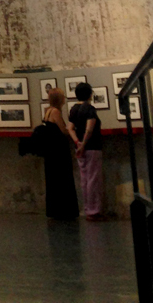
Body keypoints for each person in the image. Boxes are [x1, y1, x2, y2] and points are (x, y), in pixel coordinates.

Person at [70, 81, 106, 219]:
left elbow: (70, 128)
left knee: (84, 179)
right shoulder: (90, 109)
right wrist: (83, 144)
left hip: (79, 148)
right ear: (90, 94)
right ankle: (93, 211)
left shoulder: (74, 109)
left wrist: (77, 143)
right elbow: (89, 128)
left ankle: (87, 209)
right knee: (93, 179)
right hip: (92, 147)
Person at [42, 86, 79, 221]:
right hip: (58, 151)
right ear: (59, 99)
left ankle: (55, 209)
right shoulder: (56, 112)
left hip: (50, 150)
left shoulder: (47, 111)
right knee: (63, 179)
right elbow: (63, 130)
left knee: (53, 180)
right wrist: (71, 128)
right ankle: (65, 210)